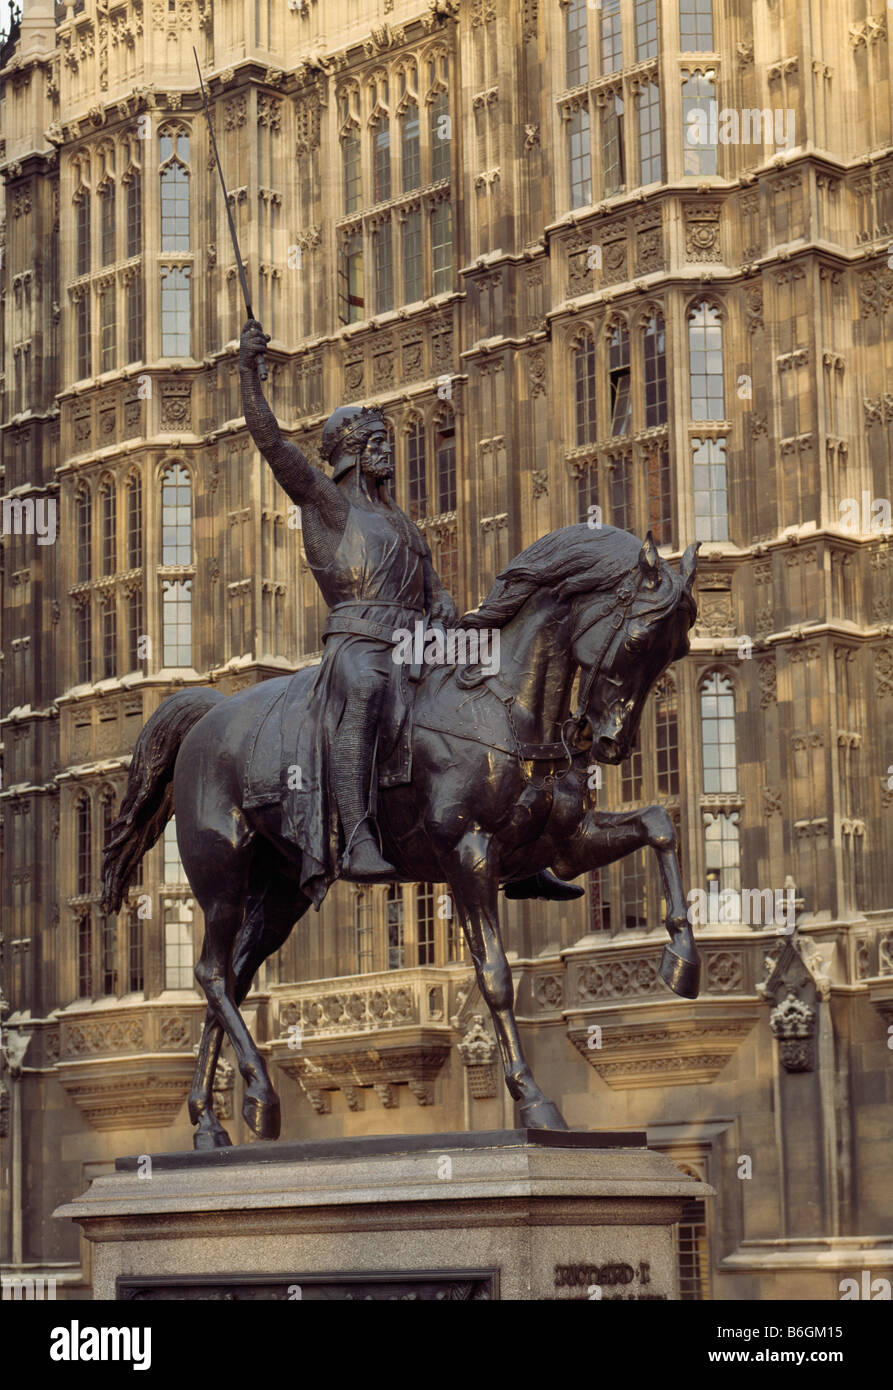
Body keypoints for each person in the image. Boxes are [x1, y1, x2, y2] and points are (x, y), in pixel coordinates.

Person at [239, 319, 582, 900]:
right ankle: (357, 837)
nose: (386, 452)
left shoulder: (402, 523)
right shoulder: (326, 504)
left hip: (419, 642)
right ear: (348, 453)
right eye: (374, 443)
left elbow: (434, 591)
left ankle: (521, 846)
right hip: (359, 645)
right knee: (369, 688)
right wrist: (248, 371)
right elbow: (272, 443)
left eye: (387, 442)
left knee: (492, 691)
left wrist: (457, 621)